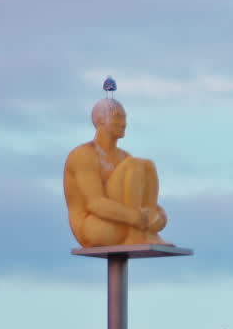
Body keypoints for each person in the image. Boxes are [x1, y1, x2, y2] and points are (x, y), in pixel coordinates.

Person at [63, 98, 170, 247]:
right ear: (100, 120)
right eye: (118, 117)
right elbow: (95, 203)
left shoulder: (125, 157)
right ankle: (136, 234)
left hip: (121, 223)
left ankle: (145, 233)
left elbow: (140, 200)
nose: (124, 123)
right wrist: (137, 218)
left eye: (124, 118)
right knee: (134, 165)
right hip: (94, 227)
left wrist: (160, 215)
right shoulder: (84, 154)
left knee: (147, 165)